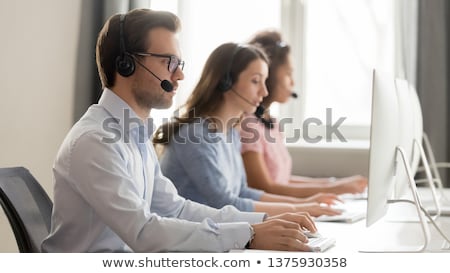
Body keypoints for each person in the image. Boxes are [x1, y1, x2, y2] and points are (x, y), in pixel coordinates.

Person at [41, 9, 318, 253]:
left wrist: (264, 223)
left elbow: (176, 208)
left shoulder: (132, 134)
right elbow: (143, 232)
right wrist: (249, 235)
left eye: (179, 63)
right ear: (126, 64)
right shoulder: (96, 141)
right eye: (168, 62)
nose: (180, 75)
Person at [154, 42, 341, 218]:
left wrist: (305, 204)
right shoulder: (194, 136)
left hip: (217, 233)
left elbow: (242, 191)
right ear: (225, 82)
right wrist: (298, 209)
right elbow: (223, 202)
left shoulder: (231, 133)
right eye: (255, 81)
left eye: (265, 81)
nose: (264, 92)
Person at [239, 30, 367, 199]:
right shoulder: (248, 126)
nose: (293, 82)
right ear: (268, 76)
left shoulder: (271, 123)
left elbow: (282, 181)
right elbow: (265, 188)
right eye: (288, 74)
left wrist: (334, 184)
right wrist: (335, 189)